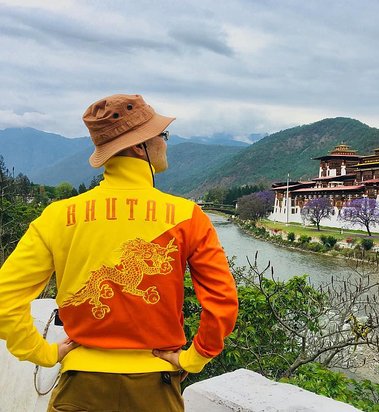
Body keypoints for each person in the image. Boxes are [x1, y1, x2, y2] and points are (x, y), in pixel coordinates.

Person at [0, 94, 239, 411]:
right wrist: (193, 358)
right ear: (140, 145)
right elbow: (222, 303)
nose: (166, 143)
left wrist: (42, 353)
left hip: (79, 389)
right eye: (162, 135)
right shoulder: (188, 216)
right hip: (155, 390)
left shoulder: (58, 217)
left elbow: (5, 299)